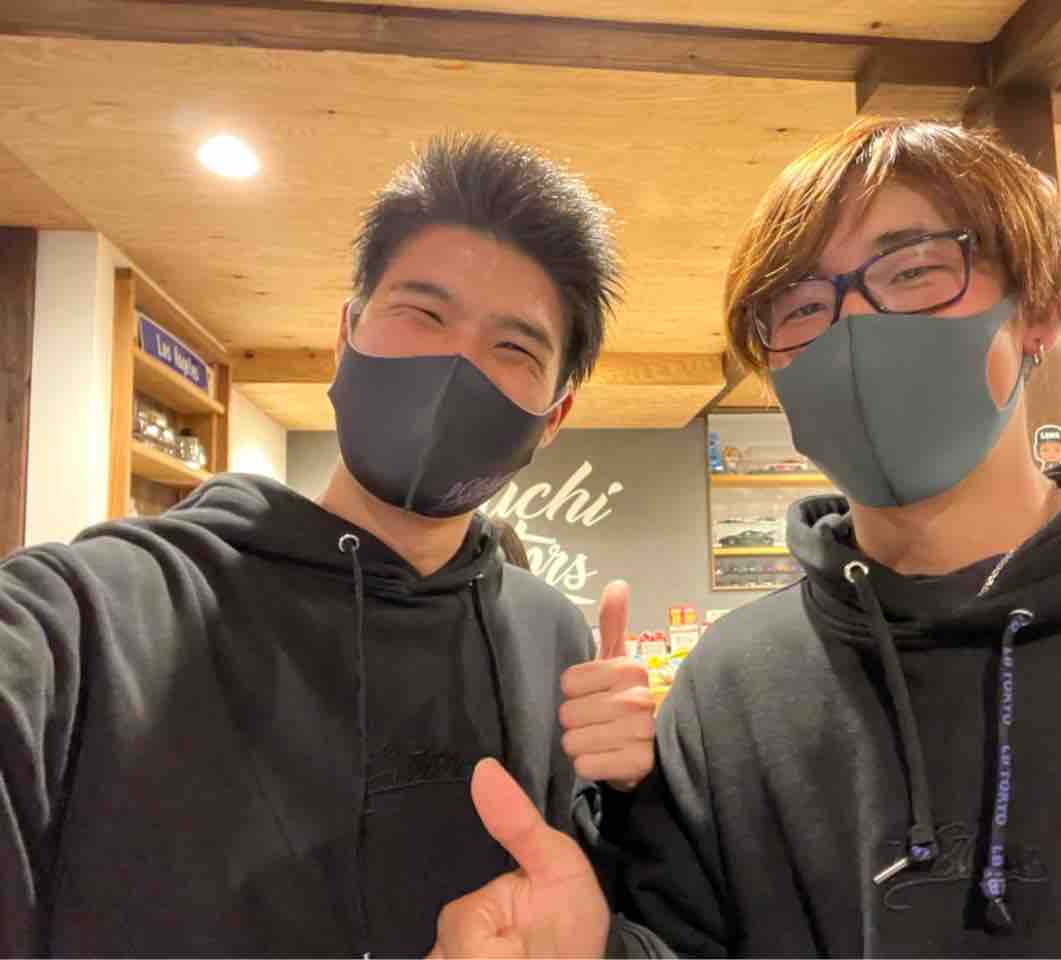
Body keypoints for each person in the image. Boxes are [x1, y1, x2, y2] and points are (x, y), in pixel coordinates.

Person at [603, 119, 1061, 956]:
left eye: (914, 270)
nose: (854, 329)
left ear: (1038, 313)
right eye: (803, 306)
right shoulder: (729, 690)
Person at [0, 132, 663, 956]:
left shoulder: (549, 635)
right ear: (345, 338)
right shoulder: (94, 617)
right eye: (423, 313)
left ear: (552, 417)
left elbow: (583, 907)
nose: (457, 364)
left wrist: (632, 794)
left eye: (514, 347)